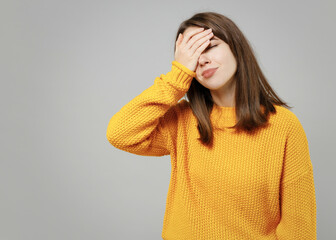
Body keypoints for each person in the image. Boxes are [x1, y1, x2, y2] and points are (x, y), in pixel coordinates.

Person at [106, 11, 317, 240]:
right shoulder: (182, 121)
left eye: (209, 46)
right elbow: (120, 134)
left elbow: (299, 228)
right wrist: (178, 77)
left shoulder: (283, 126)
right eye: (192, 56)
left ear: (235, 46)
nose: (202, 59)